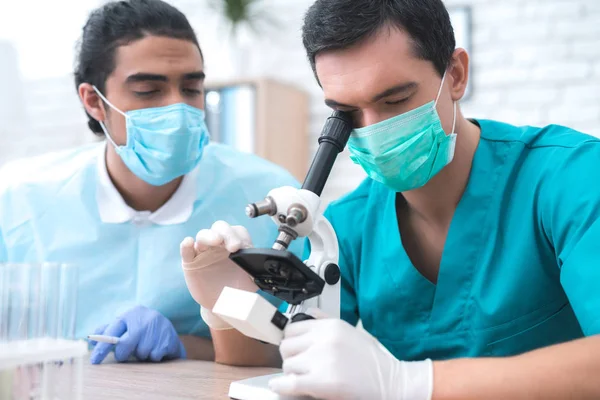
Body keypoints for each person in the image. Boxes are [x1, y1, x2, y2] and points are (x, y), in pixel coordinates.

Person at [180, 0, 600, 398]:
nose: (374, 129)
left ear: (455, 75)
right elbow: (283, 356)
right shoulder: (349, 225)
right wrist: (227, 307)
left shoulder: (570, 178)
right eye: (347, 113)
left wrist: (411, 384)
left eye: (395, 99)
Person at [0, 0, 300, 366]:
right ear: (94, 100)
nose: (178, 109)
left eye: (191, 89)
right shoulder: (21, 206)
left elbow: (289, 350)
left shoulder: (268, 198)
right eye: (148, 91)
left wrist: (185, 344)